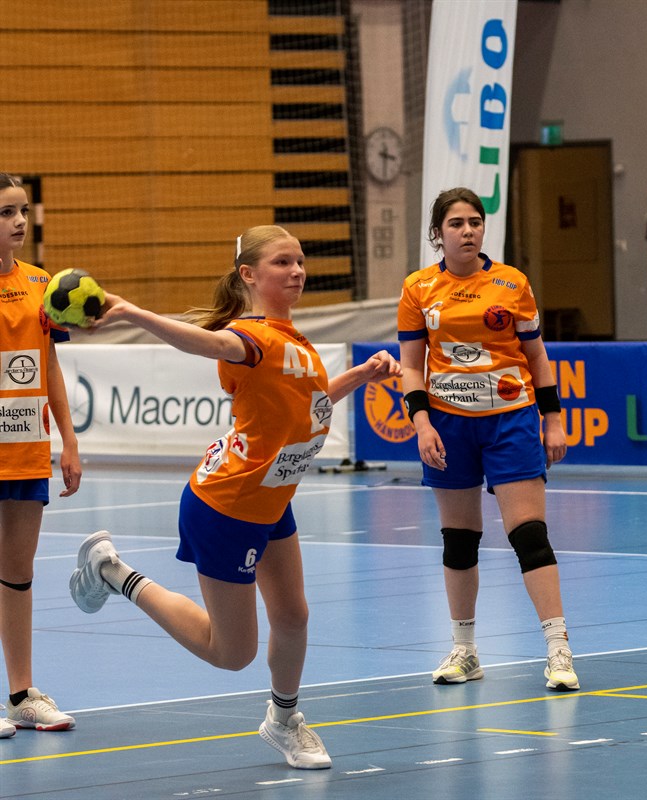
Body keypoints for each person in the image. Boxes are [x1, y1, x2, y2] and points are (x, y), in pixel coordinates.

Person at [67, 224, 400, 768]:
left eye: (300, 261)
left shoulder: (294, 340)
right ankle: (114, 572)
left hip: (271, 500)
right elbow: (207, 342)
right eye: (282, 263)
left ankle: (284, 720)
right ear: (249, 275)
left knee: (293, 616)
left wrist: (360, 375)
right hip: (227, 506)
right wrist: (131, 313)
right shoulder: (249, 337)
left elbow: (308, 406)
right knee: (232, 652)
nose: (297, 271)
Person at [396, 187, 579, 694]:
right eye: (456, 223)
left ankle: (559, 649)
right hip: (449, 425)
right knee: (459, 540)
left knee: (529, 535)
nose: (468, 230)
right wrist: (422, 424)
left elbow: (537, 356)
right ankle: (465, 650)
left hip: (510, 420)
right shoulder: (417, 288)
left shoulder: (511, 282)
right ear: (438, 233)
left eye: (475, 221)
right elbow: (411, 366)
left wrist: (553, 420)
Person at [0, 174, 81, 738]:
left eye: (23, 210)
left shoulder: (40, 283)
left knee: (18, 571)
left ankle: (22, 694)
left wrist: (69, 440)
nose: (19, 222)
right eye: (7, 212)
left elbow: (48, 363)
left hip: (27, 447)